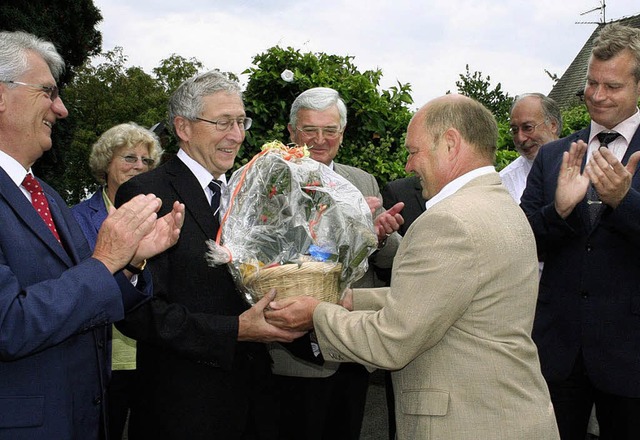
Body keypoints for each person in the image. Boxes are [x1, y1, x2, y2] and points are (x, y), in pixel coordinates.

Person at [266, 94, 560, 440]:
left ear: (450, 143)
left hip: (467, 423)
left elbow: (393, 339)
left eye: (413, 151)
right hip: (505, 414)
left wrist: (316, 315)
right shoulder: (501, 205)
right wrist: (351, 301)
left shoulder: (449, 222)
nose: (408, 166)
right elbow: (442, 298)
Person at [0, 31, 184, 440]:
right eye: (47, 92)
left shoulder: (43, 194)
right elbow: (8, 325)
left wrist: (133, 260)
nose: (61, 109)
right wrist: (105, 261)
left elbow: (82, 299)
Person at [114, 70, 305, 440]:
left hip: (254, 402)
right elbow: (139, 313)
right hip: (183, 410)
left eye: (240, 121)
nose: (236, 135)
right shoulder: (146, 194)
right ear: (183, 128)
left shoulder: (248, 193)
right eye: (222, 122)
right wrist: (236, 330)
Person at [520, 23, 640, 440]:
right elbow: (524, 241)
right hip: (559, 351)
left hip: (631, 354)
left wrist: (626, 201)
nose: (597, 94)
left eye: (613, 85)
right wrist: (560, 209)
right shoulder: (553, 155)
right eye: (591, 83)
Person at [266, 86, 401, 440]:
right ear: (292, 131)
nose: (321, 139)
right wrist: (346, 231)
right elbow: (261, 255)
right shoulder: (268, 181)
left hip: (352, 346)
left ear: (342, 133)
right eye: (310, 130)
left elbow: (391, 256)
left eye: (331, 130)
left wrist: (380, 236)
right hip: (295, 353)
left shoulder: (362, 181)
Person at [72, 122, 164, 440]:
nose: (139, 166)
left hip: (154, 354)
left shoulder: (162, 219)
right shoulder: (76, 219)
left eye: (146, 160)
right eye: (129, 158)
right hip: (99, 356)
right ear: (105, 164)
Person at [500, 93, 562, 203]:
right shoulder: (506, 181)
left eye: (528, 128)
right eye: (514, 130)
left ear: (553, 125)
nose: (520, 138)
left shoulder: (586, 163)